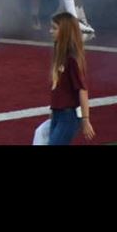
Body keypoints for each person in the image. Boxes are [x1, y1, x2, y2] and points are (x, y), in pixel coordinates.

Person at [32, 13, 95, 145]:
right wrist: (54, 109)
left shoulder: (71, 59)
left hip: (68, 116)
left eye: (54, 28)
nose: (50, 31)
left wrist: (85, 119)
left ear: (65, 31)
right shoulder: (61, 54)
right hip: (58, 113)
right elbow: (59, 89)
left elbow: (82, 90)